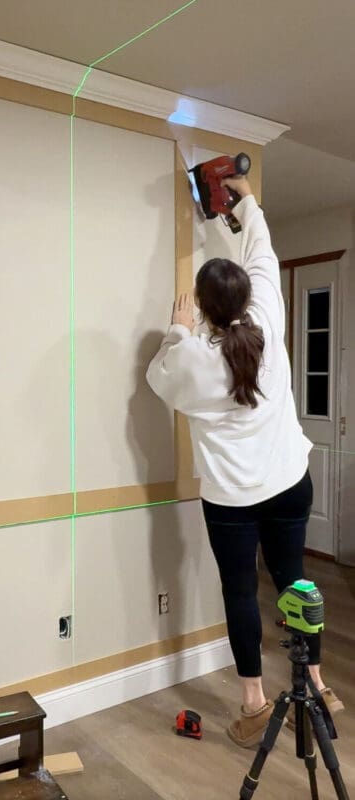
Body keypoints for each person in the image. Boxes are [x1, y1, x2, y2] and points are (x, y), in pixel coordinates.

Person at [146, 176, 344, 748]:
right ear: (244, 297)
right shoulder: (267, 317)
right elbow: (262, 250)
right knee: (294, 581)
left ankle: (255, 707)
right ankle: (317, 684)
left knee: (241, 591)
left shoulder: (190, 358)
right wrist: (247, 198)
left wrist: (177, 329)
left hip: (232, 500)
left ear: (203, 308)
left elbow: (157, 377)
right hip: (289, 482)